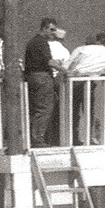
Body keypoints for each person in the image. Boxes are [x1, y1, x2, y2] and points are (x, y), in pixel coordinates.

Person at [22, 17, 59, 147]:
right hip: (42, 78)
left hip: (32, 77)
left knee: (37, 108)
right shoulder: (41, 43)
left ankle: (34, 138)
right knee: (44, 108)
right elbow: (49, 61)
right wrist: (65, 69)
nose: (53, 32)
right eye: (51, 29)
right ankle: (37, 139)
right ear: (44, 28)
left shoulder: (32, 42)